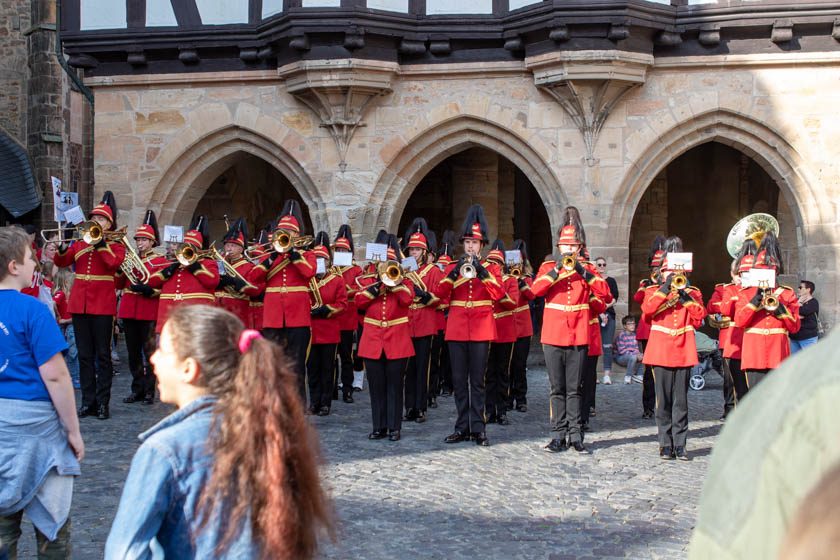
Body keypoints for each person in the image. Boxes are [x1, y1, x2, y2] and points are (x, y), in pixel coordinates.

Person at [104, 305, 332, 559]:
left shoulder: (163, 449)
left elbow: (125, 553)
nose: (153, 358)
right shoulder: (269, 428)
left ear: (189, 368)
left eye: (163, 350)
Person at [688, 327, 840, 560]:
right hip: (747, 347)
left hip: (774, 349)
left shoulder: (785, 297)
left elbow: (793, 324)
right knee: (743, 393)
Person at [0, 226, 84, 558]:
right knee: (53, 525)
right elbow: (56, 376)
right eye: (30, 256)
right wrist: (73, 431)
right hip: (38, 430)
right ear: (13, 267)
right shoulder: (33, 309)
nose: (35, 261)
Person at [532, 207, 609, 454]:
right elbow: (535, 291)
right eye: (565, 246)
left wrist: (583, 271)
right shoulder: (548, 267)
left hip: (578, 334)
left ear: (579, 248)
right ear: (559, 246)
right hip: (553, 335)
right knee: (557, 388)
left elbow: (605, 294)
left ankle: (576, 435)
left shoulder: (586, 269)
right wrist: (557, 270)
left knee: (575, 388)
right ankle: (557, 435)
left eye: (573, 246)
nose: (569, 250)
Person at [434, 205, 505, 447]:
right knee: (458, 380)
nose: (470, 247)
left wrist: (482, 271)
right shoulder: (453, 266)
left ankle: (479, 428)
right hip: (456, 328)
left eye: (474, 243)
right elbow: (439, 292)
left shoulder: (492, 268)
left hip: (481, 328)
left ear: (482, 245)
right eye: (467, 243)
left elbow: (499, 293)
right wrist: (455, 273)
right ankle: (462, 427)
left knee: (477, 381)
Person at [53, 191, 126, 420]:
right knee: (84, 356)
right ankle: (88, 402)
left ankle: (103, 403)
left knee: (102, 356)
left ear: (110, 223)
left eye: (101, 219)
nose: (97, 221)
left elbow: (113, 263)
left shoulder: (116, 244)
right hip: (79, 304)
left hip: (102, 306)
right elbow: (63, 261)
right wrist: (63, 245)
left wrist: (101, 242)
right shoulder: (81, 242)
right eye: (95, 218)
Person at [640, 236, 705, 461]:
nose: (673, 276)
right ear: (662, 272)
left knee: (681, 401)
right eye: (668, 272)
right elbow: (648, 311)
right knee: (663, 400)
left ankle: (680, 444)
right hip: (661, 349)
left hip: (684, 350)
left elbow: (699, 318)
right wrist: (666, 287)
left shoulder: (693, 292)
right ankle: (664, 443)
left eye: (676, 273)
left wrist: (685, 295)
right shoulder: (654, 290)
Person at [248, 200, 316, 401]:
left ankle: (297, 406)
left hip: (298, 317)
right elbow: (254, 277)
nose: (285, 234)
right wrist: (272, 258)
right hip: (273, 316)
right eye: (282, 231)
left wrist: (293, 253)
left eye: (290, 232)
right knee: (273, 363)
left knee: (296, 364)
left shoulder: (306, 254)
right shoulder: (269, 256)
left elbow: (309, 272)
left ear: (297, 235)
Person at [354, 235, 415, 441]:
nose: (386, 268)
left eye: (391, 265)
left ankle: (394, 427)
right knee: (376, 386)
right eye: (384, 264)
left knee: (395, 386)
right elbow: (359, 302)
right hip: (372, 341)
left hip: (397, 341)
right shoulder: (367, 280)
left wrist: (394, 283)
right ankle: (379, 426)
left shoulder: (404, 282)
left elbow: (408, 299)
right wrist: (377, 286)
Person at [733, 231, 800, 390]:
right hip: (754, 354)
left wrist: (780, 308)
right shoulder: (746, 293)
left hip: (778, 354)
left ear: (775, 272)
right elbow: (740, 321)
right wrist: (755, 300)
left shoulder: (786, 294)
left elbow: (795, 327)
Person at [116, 210, 168, 405]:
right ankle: (136, 388)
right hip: (129, 310)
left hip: (148, 310)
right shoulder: (129, 258)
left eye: (144, 240)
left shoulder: (160, 261)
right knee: (132, 354)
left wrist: (148, 289)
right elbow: (119, 283)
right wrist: (120, 269)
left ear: (152, 242)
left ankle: (149, 390)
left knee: (150, 354)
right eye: (138, 240)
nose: (139, 243)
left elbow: (162, 287)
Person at [146, 216, 220, 334]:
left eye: (192, 248)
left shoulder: (208, 263)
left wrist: (194, 265)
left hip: (195, 318)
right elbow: (152, 282)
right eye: (185, 247)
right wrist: (170, 269)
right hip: (169, 317)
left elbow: (212, 282)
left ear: (199, 250)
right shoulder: (171, 264)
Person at [402, 218, 442, 424]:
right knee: (408, 369)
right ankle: (409, 406)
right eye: (411, 250)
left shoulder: (433, 271)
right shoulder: (405, 271)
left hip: (425, 322)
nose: (413, 253)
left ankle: (421, 407)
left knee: (423, 367)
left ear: (424, 252)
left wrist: (423, 295)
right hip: (408, 322)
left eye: (417, 250)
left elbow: (438, 299)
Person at [306, 234, 347, 416]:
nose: (319, 261)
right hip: (311, 330)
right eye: (316, 259)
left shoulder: (337, 280)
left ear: (328, 261)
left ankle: (325, 402)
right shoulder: (307, 280)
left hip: (329, 330)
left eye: (322, 259)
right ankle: (314, 401)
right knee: (312, 368)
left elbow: (343, 304)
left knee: (327, 368)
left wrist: (326, 309)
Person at [484, 241, 518, 426]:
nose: (493, 266)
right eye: (491, 262)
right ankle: (489, 410)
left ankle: (502, 410)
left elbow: (512, 303)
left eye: (496, 263)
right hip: (489, 330)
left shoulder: (510, 281)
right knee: (488, 373)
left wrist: (498, 290)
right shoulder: (485, 282)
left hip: (505, 331)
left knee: (503, 373)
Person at [634, 236, 665, 419]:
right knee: (649, 371)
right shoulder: (645, 283)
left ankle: (662, 404)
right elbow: (638, 299)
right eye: (654, 267)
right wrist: (650, 286)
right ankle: (648, 406)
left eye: (659, 267)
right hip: (648, 330)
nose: (657, 270)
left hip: (664, 329)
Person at [332, 224, 363, 403]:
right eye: (338, 249)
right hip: (332, 315)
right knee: (331, 356)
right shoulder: (330, 270)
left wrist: (342, 288)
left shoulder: (356, 270)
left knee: (346, 355)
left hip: (347, 316)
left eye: (343, 249)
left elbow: (358, 290)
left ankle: (348, 388)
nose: (340, 251)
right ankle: (333, 388)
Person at [507, 239, 535, 413]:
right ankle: (508, 398)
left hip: (523, 327)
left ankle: (521, 398)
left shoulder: (527, 278)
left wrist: (521, 283)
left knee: (520, 364)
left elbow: (531, 296)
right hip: (509, 325)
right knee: (508, 364)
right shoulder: (506, 279)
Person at [52, 267, 80, 390]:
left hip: (69, 324)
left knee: (73, 353)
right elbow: (53, 303)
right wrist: (58, 316)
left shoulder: (69, 294)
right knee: (72, 353)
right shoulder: (61, 293)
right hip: (67, 325)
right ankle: (74, 378)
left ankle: (74, 377)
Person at [594, 257, 619, 384]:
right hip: (595, 315)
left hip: (609, 314)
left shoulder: (611, 281)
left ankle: (607, 374)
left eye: (604, 264)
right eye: (599, 264)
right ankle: (593, 375)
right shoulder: (593, 280)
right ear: (595, 266)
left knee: (607, 345)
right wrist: (599, 311)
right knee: (593, 346)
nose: (602, 267)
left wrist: (604, 308)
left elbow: (615, 298)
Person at [790, 279, 819, 353]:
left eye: (800, 287)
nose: (798, 289)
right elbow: (789, 311)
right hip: (794, 337)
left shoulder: (813, 302)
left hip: (808, 338)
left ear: (808, 289)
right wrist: (799, 303)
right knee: (795, 362)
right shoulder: (796, 300)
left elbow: (802, 311)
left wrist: (796, 311)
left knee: (809, 362)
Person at [613, 315, 644, 383]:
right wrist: (635, 355)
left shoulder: (634, 335)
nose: (632, 326)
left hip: (631, 356)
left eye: (633, 323)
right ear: (625, 326)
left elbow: (636, 348)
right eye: (629, 324)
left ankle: (639, 375)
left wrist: (638, 354)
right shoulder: (621, 335)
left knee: (643, 356)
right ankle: (628, 376)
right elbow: (622, 351)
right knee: (633, 357)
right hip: (620, 357)